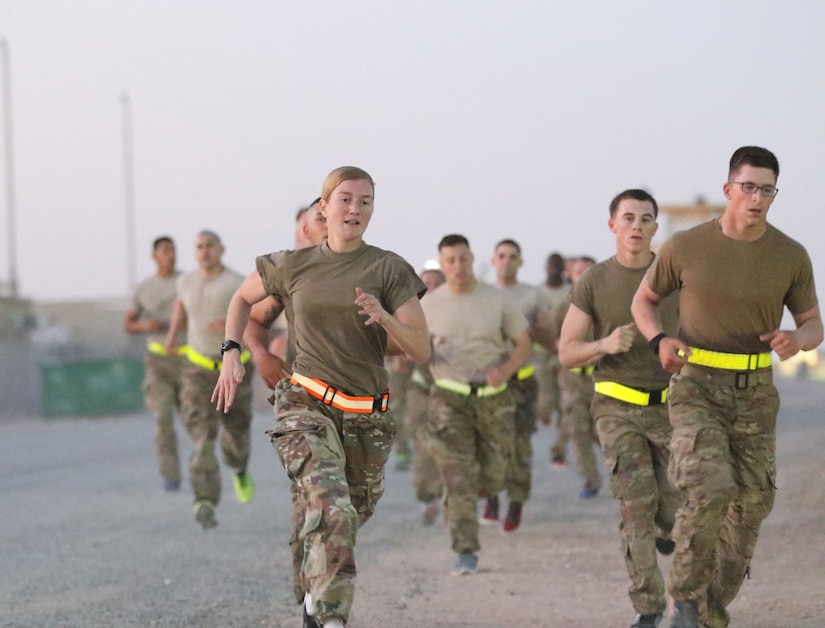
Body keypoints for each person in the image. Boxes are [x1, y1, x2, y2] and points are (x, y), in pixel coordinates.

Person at [212, 166, 430, 628]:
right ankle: (331, 618)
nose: (355, 209)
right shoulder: (293, 264)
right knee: (331, 508)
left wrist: (385, 318)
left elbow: (421, 348)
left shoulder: (389, 268)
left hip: (366, 417)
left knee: (344, 517)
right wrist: (232, 351)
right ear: (324, 207)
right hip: (305, 402)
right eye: (346, 199)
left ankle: (313, 594)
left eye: (365, 201)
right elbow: (241, 301)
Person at [632, 146, 822, 628]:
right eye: (748, 187)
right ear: (729, 189)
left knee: (753, 504)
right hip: (696, 384)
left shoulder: (790, 255)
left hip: (756, 389)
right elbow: (645, 301)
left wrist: (797, 339)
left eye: (767, 189)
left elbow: (813, 323)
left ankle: (711, 612)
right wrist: (659, 339)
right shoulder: (687, 246)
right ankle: (687, 601)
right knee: (709, 487)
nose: (757, 198)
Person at [559, 190, 683, 628]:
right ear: (612, 225)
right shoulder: (594, 281)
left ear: (654, 228)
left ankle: (667, 531)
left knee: (675, 505)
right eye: (628, 217)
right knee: (636, 506)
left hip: (672, 408)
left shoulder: (674, 278)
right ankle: (648, 607)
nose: (636, 226)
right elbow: (567, 352)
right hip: (616, 407)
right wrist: (604, 345)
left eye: (645, 219)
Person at [421, 234, 531, 574]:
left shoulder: (496, 300)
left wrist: (506, 371)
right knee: (458, 476)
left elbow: (522, 344)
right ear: (442, 264)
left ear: (472, 259)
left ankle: (470, 497)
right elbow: (413, 346)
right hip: (448, 398)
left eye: (463, 259)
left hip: (493, 399)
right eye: (450, 260)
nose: (458, 266)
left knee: (494, 475)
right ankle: (465, 548)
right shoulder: (428, 304)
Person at [165, 230, 255, 530]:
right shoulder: (186, 281)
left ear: (221, 249)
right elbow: (181, 306)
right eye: (199, 247)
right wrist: (172, 335)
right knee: (202, 435)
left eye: (209, 247)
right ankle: (204, 499)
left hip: (234, 368)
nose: (204, 252)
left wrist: (229, 330)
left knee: (236, 432)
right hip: (198, 368)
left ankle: (239, 468)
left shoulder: (235, 282)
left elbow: (252, 315)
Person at [480, 239, 555, 532]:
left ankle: (515, 501)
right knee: (487, 444)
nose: (506, 261)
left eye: (513, 256)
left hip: (521, 382)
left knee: (518, 445)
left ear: (521, 262)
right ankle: (491, 498)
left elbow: (549, 339)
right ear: (493, 260)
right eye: (501, 256)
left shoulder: (533, 296)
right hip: (487, 381)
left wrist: (536, 332)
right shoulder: (481, 294)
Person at [124, 236, 186, 492]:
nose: (171, 255)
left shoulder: (186, 283)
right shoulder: (143, 289)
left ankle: (204, 469)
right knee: (162, 419)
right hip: (158, 360)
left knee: (197, 421)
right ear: (154, 256)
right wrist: (144, 325)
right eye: (165, 251)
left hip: (187, 359)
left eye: (173, 250)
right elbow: (128, 323)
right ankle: (170, 475)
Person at [543, 256, 602, 496]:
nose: (583, 275)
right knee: (577, 431)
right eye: (578, 271)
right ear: (571, 276)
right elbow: (549, 331)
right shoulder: (567, 306)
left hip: (603, 378)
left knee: (602, 431)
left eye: (588, 270)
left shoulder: (609, 304)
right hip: (572, 379)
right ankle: (590, 480)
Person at [404, 268, 446, 524]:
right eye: (425, 282)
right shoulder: (408, 312)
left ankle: (458, 497)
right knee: (423, 445)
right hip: (421, 389)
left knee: (454, 446)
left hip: (452, 388)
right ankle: (428, 497)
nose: (429, 286)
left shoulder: (453, 311)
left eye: (435, 283)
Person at [535, 252, 569, 429]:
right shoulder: (538, 293)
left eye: (558, 266)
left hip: (564, 352)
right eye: (552, 266)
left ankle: (559, 447)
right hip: (541, 352)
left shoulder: (571, 292)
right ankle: (545, 414)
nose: (554, 270)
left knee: (565, 400)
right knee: (545, 397)